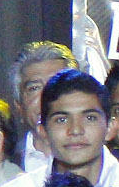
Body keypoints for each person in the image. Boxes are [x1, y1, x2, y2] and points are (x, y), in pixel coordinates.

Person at [4, 41, 77, 173]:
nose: (47, 96)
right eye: (34, 88)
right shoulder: (4, 163)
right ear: (19, 106)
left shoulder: (103, 163)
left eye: (57, 84)